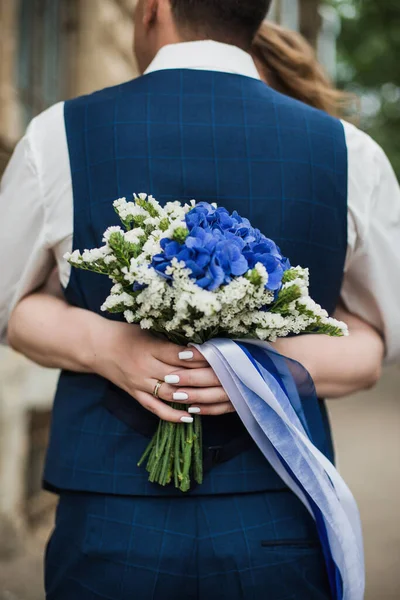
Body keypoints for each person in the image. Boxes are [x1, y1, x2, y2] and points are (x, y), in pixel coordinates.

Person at [1, 1, 398, 598]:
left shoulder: (58, 135)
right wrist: (115, 345)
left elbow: (8, 304)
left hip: (112, 526)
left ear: (153, 8)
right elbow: (375, 340)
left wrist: (237, 370)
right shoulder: (350, 153)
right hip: (276, 517)